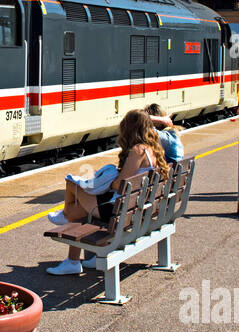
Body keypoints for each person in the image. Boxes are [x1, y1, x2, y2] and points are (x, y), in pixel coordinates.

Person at [45, 109, 169, 275]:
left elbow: (120, 185)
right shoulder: (153, 148)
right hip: (136, 208)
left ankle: (66, 220)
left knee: (72, 183)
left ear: (128, 128)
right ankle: (73, 260)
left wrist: (108, 180)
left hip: (119, 211)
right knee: (79, 210)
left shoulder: (138, 150)